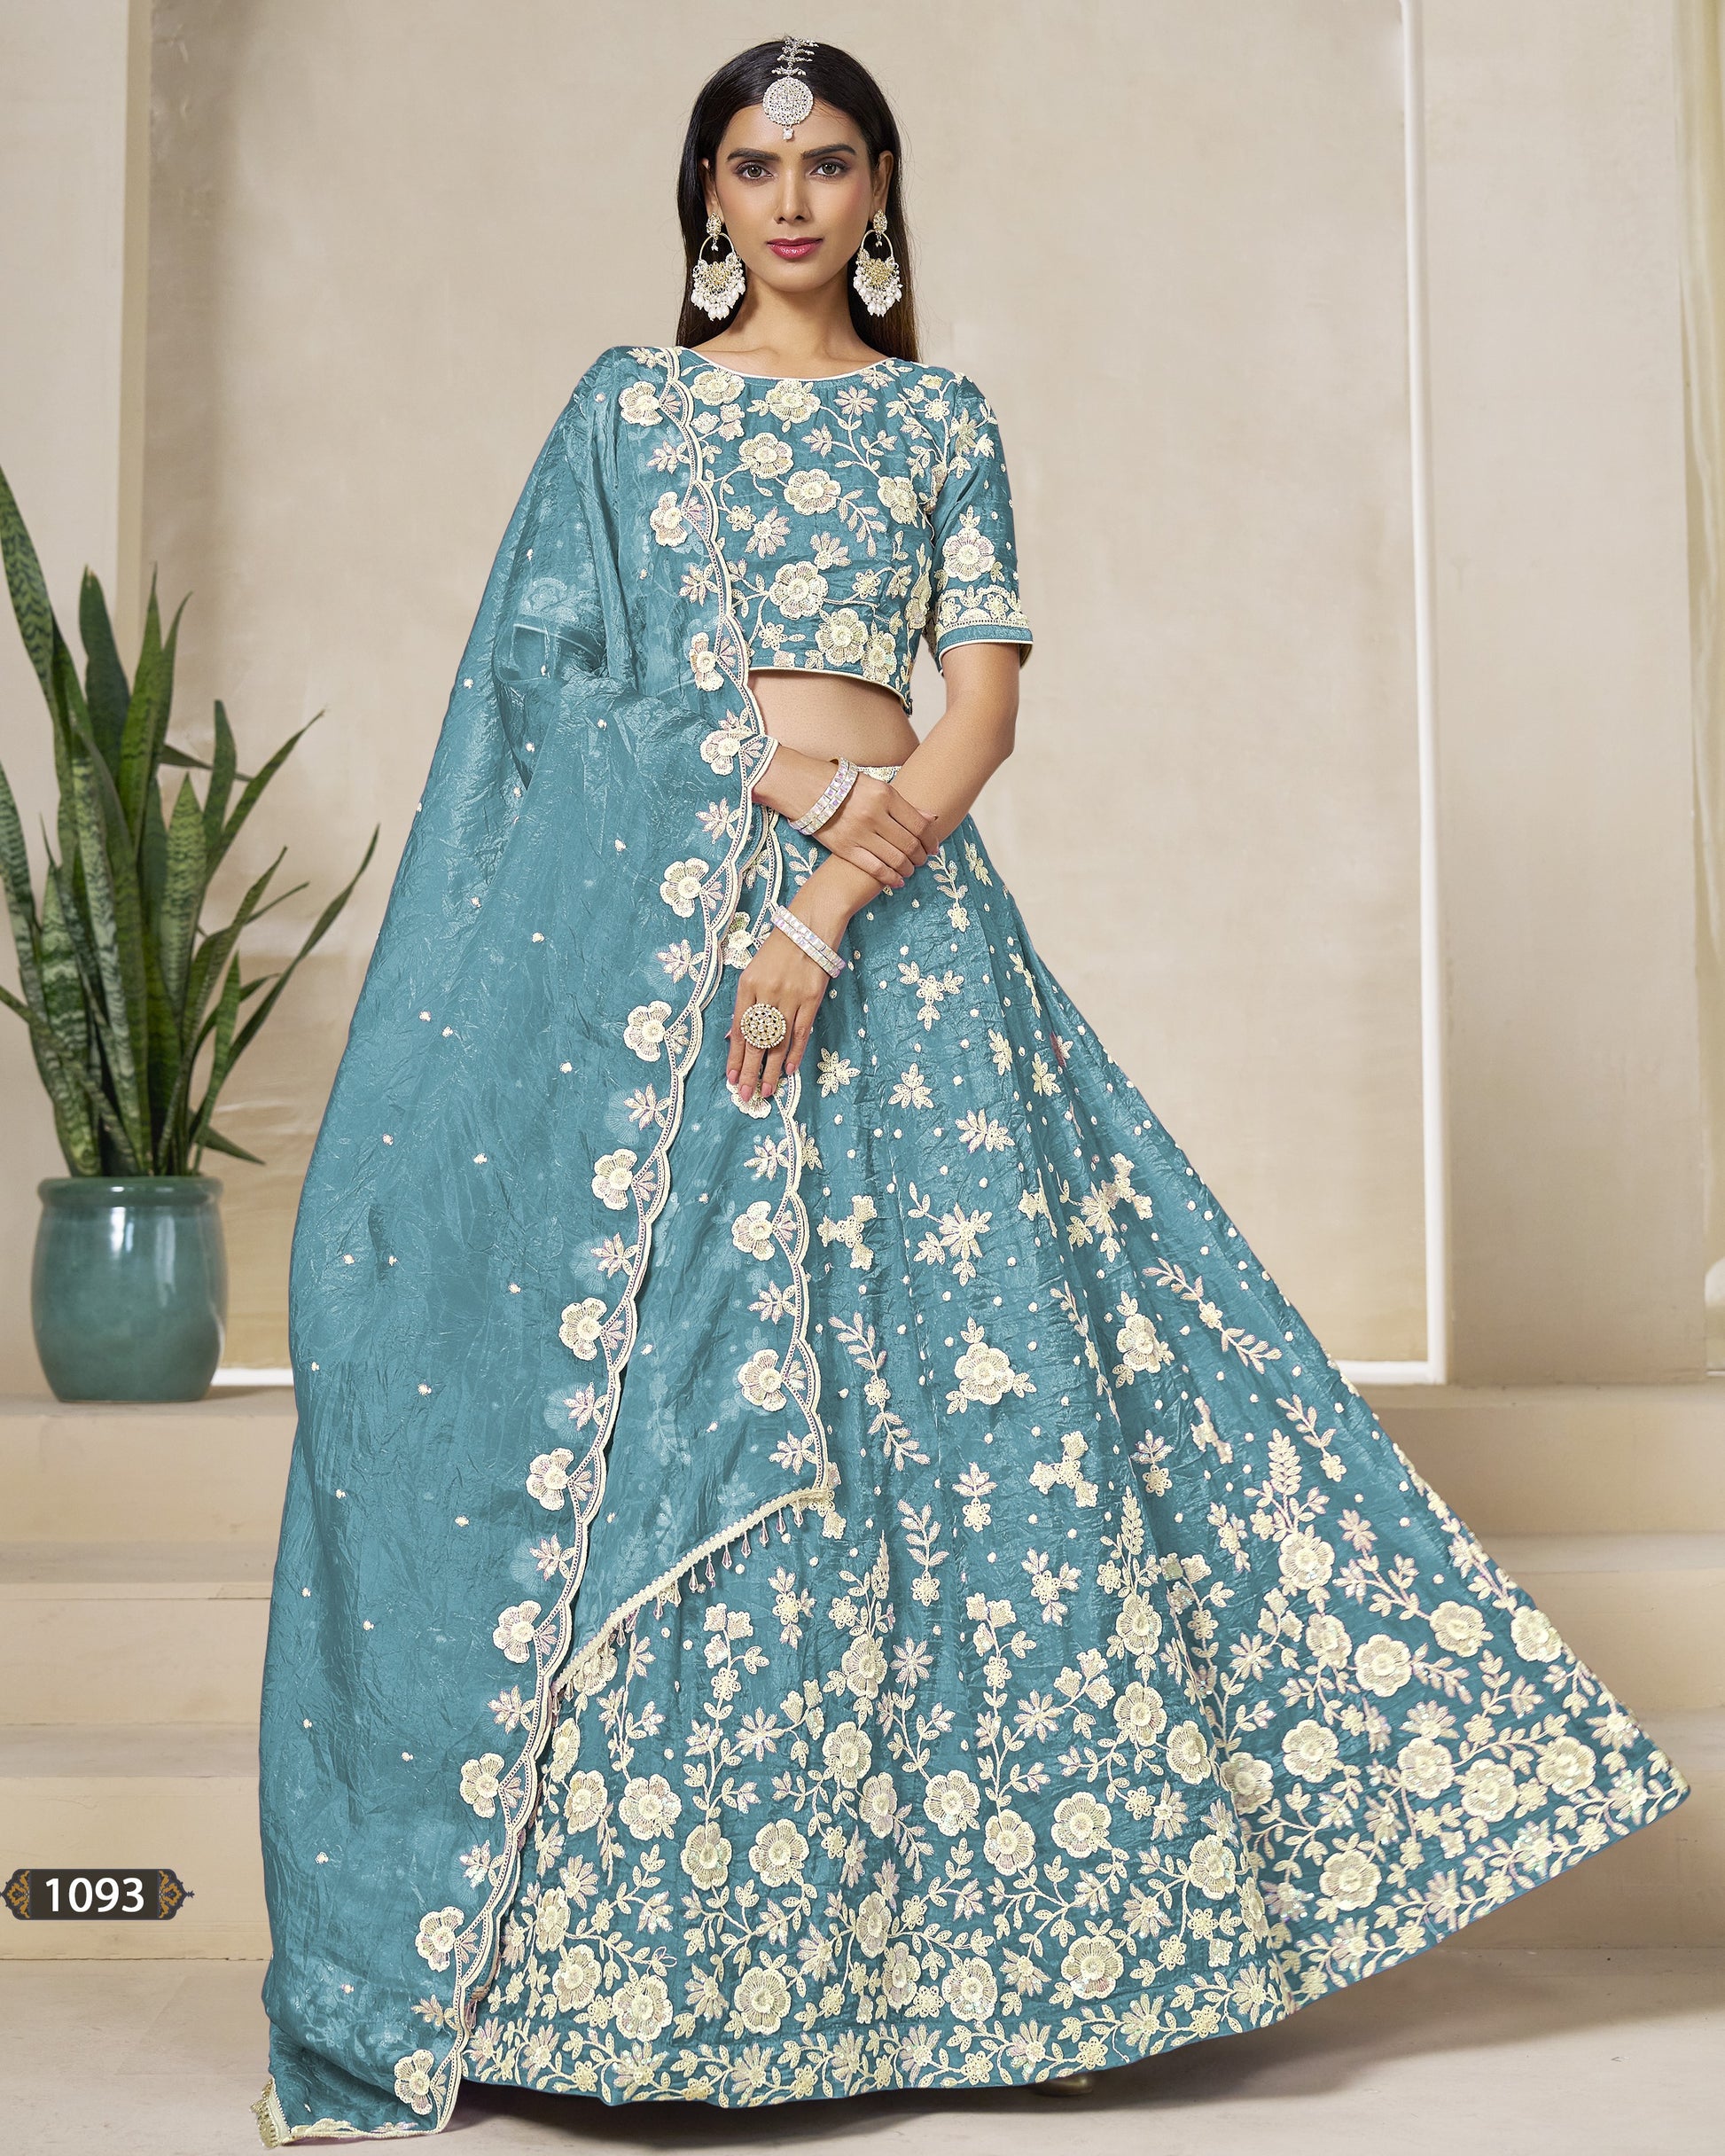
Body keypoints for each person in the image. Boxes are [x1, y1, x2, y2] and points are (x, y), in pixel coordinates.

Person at [253, 35, 1690, 2143]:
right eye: (752, 167)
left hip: (902, 938)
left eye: (829, 163)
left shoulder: (940, 419)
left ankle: (986, 1961)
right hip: (652, 953)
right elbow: (553, 685)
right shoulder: (627, 413)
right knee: (673, 1392)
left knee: (981, 1398)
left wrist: (826, 900)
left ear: (882, 190)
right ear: (704, 200)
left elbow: (981, 702)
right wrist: (764, 801)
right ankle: (644, 1974)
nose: (791, 200)